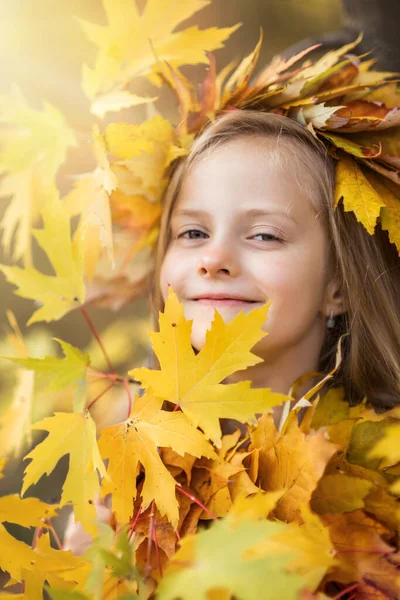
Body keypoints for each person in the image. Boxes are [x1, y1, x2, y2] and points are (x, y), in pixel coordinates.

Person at [64, 108, 400, 554]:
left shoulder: (382, 483)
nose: (213, 257)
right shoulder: (123, 476)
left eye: (264, 235)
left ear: (337, 285)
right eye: (193, 232)